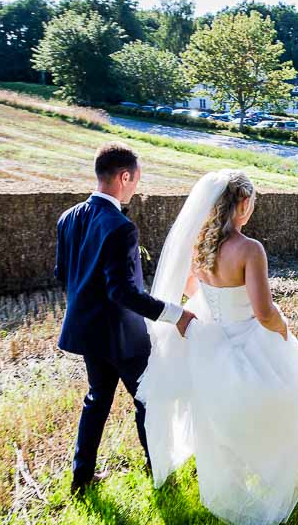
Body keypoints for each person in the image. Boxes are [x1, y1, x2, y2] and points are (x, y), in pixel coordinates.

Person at [137, 170, 298, 525]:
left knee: (221, 417)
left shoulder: (200, 246)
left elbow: (189, 287)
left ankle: (232, 480)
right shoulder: (250, 249)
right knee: (285, 404)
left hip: (210, 340)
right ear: (243, 204)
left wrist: (215, 303)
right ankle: (274, 474)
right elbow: (263, 312)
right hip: (248, 340)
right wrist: (284, 328)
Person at [55, 143, 195, 496]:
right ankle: (157, 467)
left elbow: (63, 273)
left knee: (97, 399)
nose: (136, 187)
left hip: (87, 331)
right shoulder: (120, 226)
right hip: (121, 334)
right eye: (136, 180)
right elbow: (123, 293)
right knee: (147, 398)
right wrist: (175, 315)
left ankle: (81, 477)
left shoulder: (67, 217)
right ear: (124, 176)